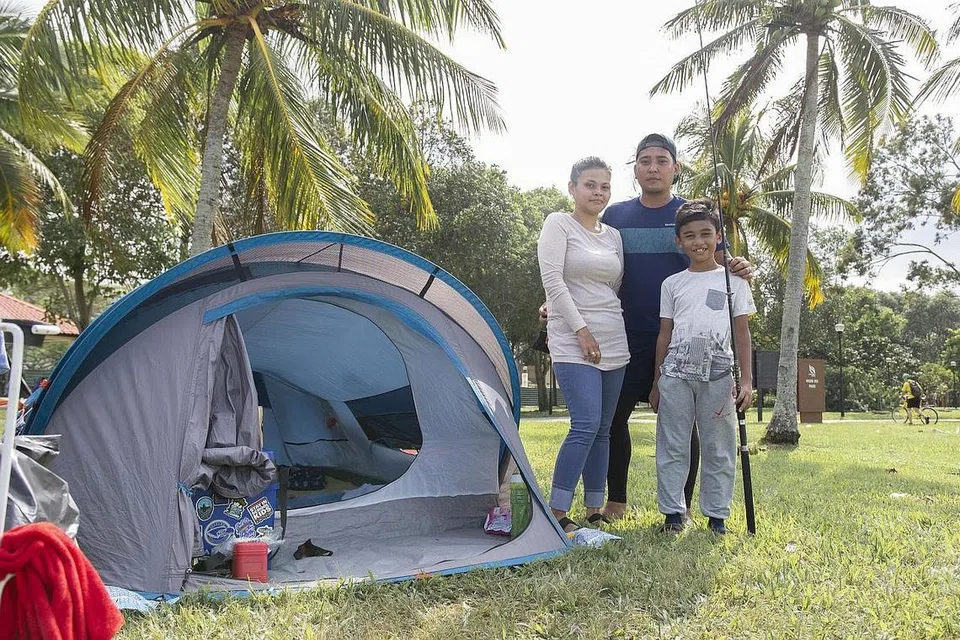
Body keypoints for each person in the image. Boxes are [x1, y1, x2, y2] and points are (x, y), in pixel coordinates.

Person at [597, 133, 752, 521]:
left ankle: (679, 510)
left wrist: (741, 265)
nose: (653, 167)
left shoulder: (692, 215)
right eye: (644, 160)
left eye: (661, 160)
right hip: (624, 332)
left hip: (685, 341)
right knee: (614, 417)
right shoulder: (615, 216)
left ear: (675, 168)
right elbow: (590, 266)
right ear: (634, 168)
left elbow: (721, 261)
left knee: (688, 426)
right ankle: (616, 500)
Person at [651, 198, 755, 535]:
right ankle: (672, 513)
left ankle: (717, 516)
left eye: (706, 234)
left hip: (718, 375)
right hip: (676, 376)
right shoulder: (672, 284)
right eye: (690, 236)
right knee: (673, 444)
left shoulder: (735, 282)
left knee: (719, 446)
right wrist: (656, 382)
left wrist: (747, 381)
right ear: (679, 241)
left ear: (719, 236)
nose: (699, 242)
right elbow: (663, 335)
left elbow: (742, 333)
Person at [537, 157, 629, 533]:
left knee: (604, 428)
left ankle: (594, 509)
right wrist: (580, 329)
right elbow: (553, 282)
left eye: (605, 186)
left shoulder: (613, 236)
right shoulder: (558, 224)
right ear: (572, 188)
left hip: (614, 336)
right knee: (585, 423)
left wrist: (600, 327)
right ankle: (557, 511)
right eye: (590, 185)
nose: (598, 192)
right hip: (573, 338)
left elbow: (614, 286)